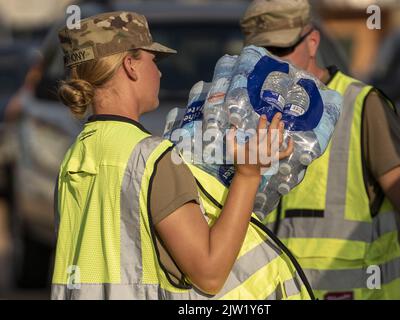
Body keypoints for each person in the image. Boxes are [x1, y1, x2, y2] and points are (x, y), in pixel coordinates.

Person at [51, 11, 313, 300]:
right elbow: (210, 273)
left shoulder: (74, 157)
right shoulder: (150, 158)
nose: (160, 72)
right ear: (130, 66)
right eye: (154, 60)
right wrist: (248, 174)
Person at [240, 0, 400, 300]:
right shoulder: (245, 111)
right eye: (260, 53)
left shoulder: (361, 107)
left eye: (281, 50)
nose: (271, 63)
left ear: (312, 41)